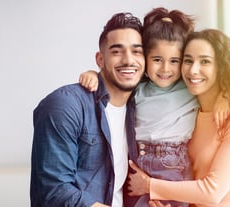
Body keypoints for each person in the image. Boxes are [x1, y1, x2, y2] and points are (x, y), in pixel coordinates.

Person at [79, 8, 229, 207]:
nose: (166, 69)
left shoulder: (188, 88)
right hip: (136, 160)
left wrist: (225, 98)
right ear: (145, 58)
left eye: (174, 61)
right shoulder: (138, 87)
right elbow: (113, 79)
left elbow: (221, 84)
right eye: (157, 60)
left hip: (172, 165)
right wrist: (93, 74)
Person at [127, 29, 230, 207]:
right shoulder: (190, 110)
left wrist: (148, 185)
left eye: (205, 61)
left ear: (222, 67)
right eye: (188, 61)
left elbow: (212, 192)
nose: (193, 70)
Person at [30, 12, 145, 207]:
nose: (128, 60)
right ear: (100, 59)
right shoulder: (64, 106)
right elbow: (54, 191)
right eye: (117, 51)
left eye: (137, 51)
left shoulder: (140, 107)